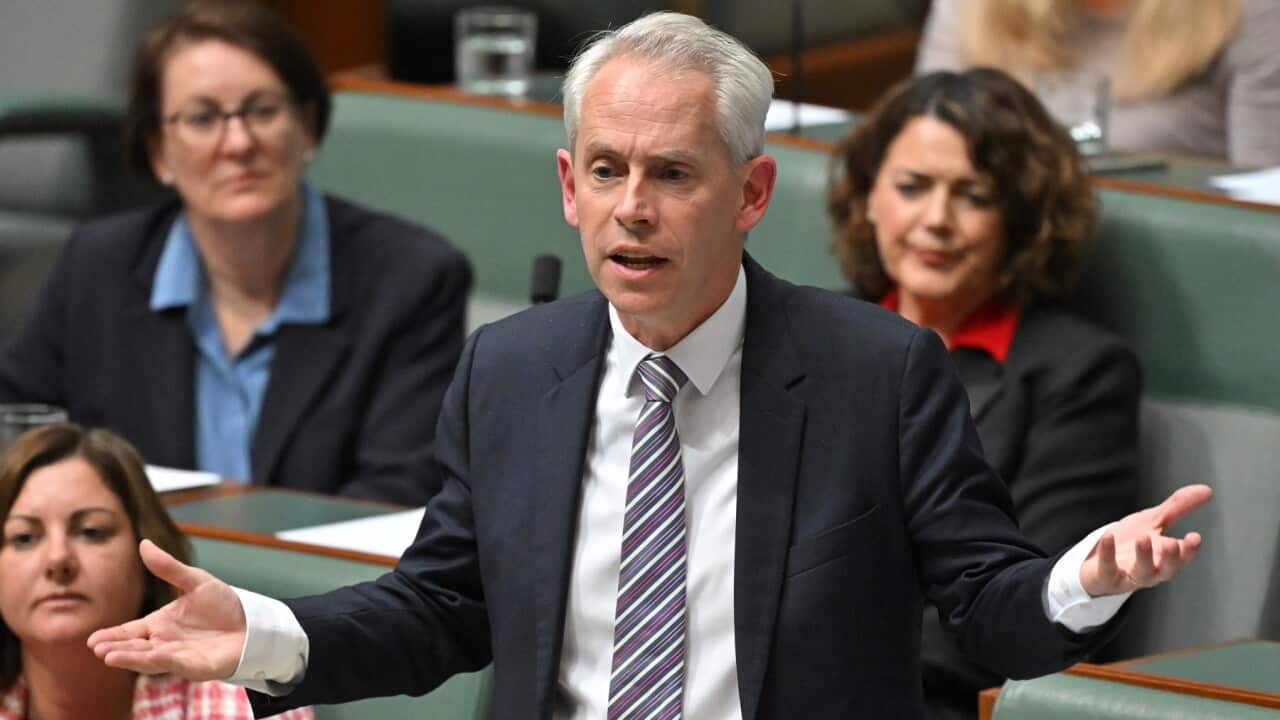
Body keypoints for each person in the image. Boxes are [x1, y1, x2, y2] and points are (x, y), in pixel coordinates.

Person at [88, 13, 1210, 719]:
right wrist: (262, 632)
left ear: (752, 195)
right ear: (569, 187)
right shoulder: (509, 371)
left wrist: (1081, 581)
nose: (633, 210)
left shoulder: (878, 372)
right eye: (609, 171)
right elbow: (440, 610)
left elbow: (989, 615)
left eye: (672, 173)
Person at [0, 0, 471, 506]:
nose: (238, 142)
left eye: (263, 111)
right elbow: (18, 427)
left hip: (306, 581)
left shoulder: (411, 278)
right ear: (159, 150)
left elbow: (393, 497)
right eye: (203, 118)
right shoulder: (97, 265)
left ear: (307, 127)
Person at [829, 67, 1140, 719]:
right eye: (912, 187)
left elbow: (1030, 599)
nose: (935, 221)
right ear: (868, 197)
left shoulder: (1077, 373)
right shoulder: (811, 335)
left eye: (972, 195)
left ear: (1021, 220)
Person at [0, 423, 312, 720]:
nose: (58, 558)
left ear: (148, 558)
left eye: (91, 531)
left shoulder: (244, 707)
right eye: (24, 537)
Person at [916, 0, 1280, 166]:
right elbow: (920, 147)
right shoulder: (970, 8)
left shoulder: (1250, 11)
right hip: (986, 263)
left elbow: (1262, 203)